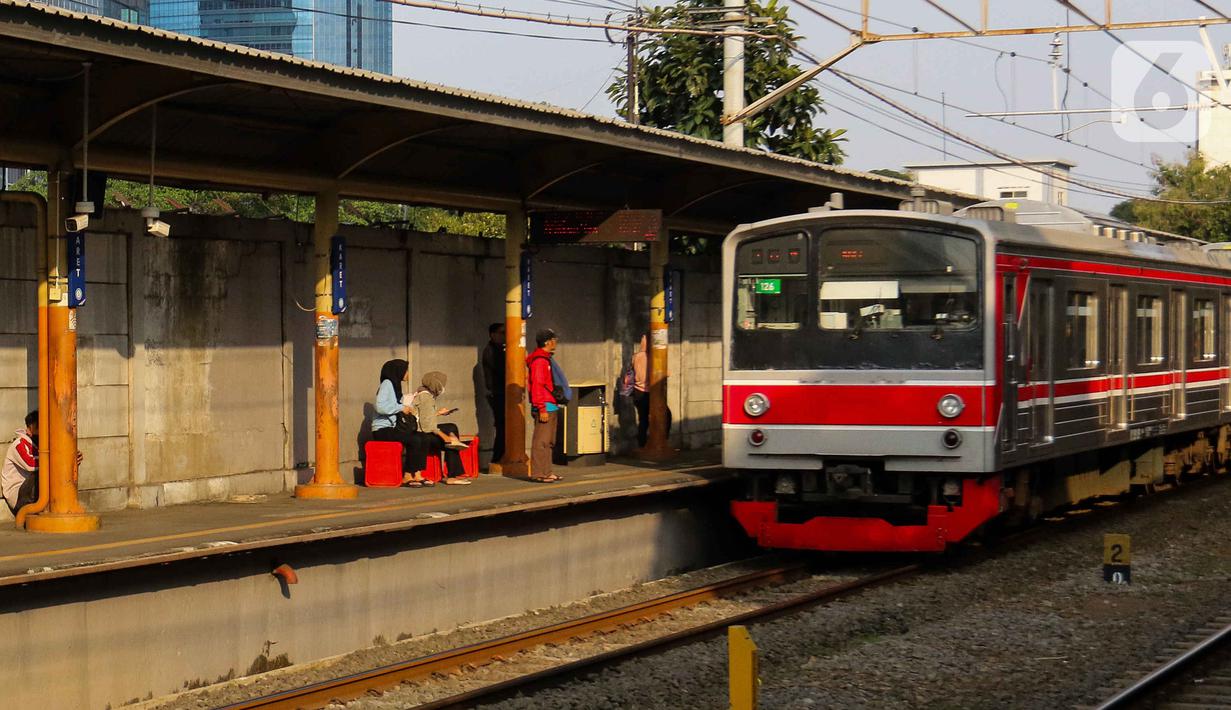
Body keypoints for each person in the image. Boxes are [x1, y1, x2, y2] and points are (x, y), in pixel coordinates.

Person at [370, 359, 434, 487]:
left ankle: (417, 473)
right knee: (414, 439)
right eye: (406, 371)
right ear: (398, 371)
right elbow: (380, 406)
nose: (408, 374)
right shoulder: (387, 384)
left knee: (424, 437)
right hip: (383, 430)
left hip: (394, 427)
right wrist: (401, 408)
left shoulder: (395, 385)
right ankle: (407, 475)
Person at [408, 371, 472, 485]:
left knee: (451, 428)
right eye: (442, 385)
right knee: (450, 443)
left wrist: (438, 413)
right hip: (422, 434)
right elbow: (427, 426)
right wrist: (444, 436)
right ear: (436, 384)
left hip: (422, 430)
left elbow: (423, 416)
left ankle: (454, 469)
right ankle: (452, 475)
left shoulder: (422, 394)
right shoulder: (426, 397)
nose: (443, 388)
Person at [526, 328, 565, 482]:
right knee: (541, 442)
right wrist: (541, 408)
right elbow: (537, 385)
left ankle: (547, 472)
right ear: (548, 342)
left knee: (549, 442)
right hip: (545, 405)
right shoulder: (540, 361)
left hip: (551, 405)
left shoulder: (545, 359)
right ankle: (539, 473)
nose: (556, 342)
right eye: (554, 339)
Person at [632, 333, 672, 449]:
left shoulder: (636, 357)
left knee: (643, 419)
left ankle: (642, 444)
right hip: (650, 393)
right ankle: (662, 440)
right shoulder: (653, 357)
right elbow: (666, 373)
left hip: (637, 393)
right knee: (666, 415)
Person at [3, 410, 39, 513]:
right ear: (28, 429)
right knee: (42, 474)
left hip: (31, 493)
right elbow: (31, 465)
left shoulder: (40, 445)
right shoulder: (19, 444)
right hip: (18, 496)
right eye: (38, 428)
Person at [481, 322, 506, 466]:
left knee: (504, 426)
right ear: (493, 334)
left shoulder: (500, 350)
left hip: (500, 392)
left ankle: (501, 455)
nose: (504, 336)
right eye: (502, 333)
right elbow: (502, 370)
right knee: (502, 425)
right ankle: (498, 457)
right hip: (498, 392)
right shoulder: (491, 351)